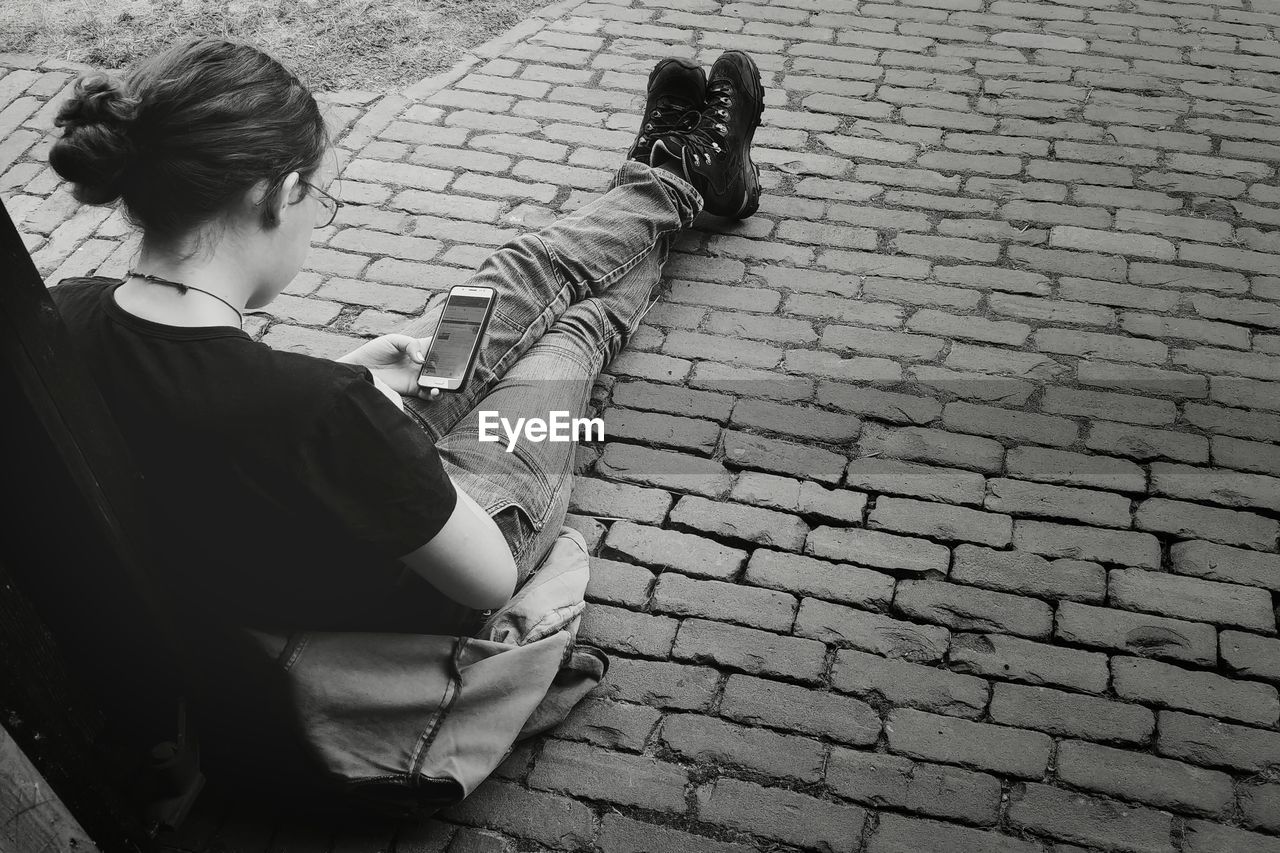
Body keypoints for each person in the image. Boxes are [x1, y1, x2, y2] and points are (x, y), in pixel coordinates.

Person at [45, 35, 764, 642]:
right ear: (277, 194)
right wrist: (366, 426)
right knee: (569, 332)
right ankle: (678, 176)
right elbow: (487, 579)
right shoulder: (320, 407)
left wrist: (351, 379)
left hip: (285, 517)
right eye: (319, 197)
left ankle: (675, 177)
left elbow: (204, 410)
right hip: (437, 565)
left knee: (509, 283)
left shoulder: (60, 314)